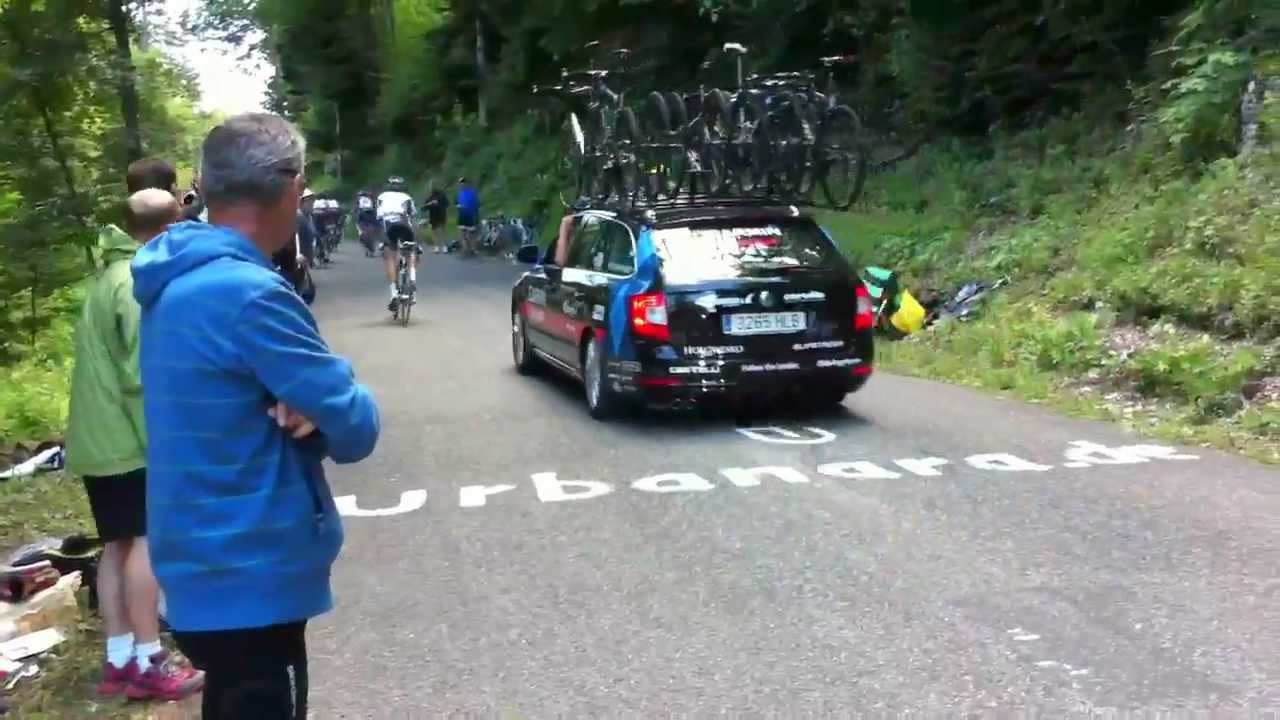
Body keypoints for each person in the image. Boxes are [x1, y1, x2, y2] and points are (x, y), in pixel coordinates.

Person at [131, 113, 381, 720]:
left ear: (205, 185)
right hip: (250, 569)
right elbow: (355, 426)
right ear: (292, 186)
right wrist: (330, 388)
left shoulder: (174, 277)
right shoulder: (248, 293)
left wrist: (306, 395)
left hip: (201, 561)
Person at [66, 188, 205, 703]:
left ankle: (120, 659)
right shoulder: (135, 282)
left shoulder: (107, 276)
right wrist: (165, 445)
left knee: (117, 544)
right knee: (147, 543)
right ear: (170, 229)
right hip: (128, 438)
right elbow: (138, 376)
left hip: (97, 438)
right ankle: (150, 660)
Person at [376, 176, 418, 312]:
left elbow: (378, 217)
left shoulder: (382, 197)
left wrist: (381, 240)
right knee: (411, 252)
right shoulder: (407, 197)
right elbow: (413, 215)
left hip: (389, 226)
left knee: (391, 258)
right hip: (404, 224)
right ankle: (412, 280)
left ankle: (394, 293)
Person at [456, 177, 480, 256]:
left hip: (470, 215)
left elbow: (476, 205)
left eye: (463, 183)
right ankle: (465, 249)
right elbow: (457, 203)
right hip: (462, 215)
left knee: (471, 234)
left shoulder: (472, 193)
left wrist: (476, 216)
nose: (462, 185)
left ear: (466, 184)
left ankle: (472, 249)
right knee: (462, 233)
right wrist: (458, 206)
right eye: (460, 183)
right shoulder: (460, 193)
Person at [423, 182, 449, 253]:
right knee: (435, 232)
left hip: (441, 215)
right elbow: (424, 208)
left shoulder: (442, 195)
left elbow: (447, 204)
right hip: (433, 216)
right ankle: (437, 247)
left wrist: (438, 203)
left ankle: (444, 246)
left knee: (442, 231)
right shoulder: (430, 197)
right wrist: (430, 204)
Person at [354, 189, 378, 256]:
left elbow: (356, 209)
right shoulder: (370, 200)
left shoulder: (359, 200)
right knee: (371, 231)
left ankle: (367, 246)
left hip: (363, 217)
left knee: (362, 232)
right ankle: (370, 247)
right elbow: (375, 208)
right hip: (370, 217)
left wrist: (354, 211)